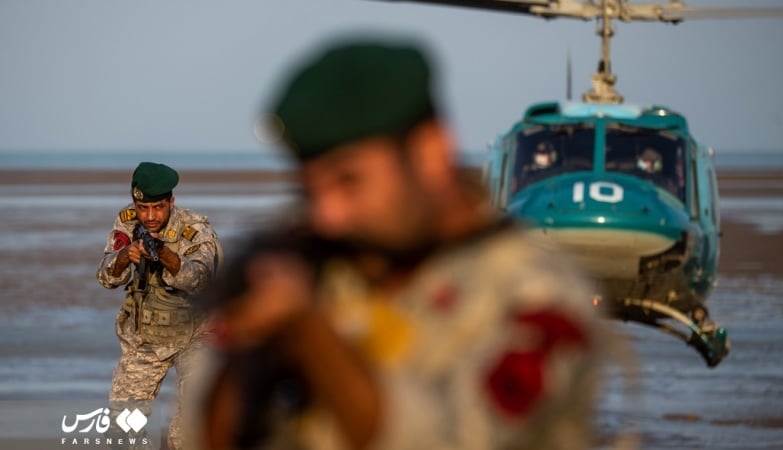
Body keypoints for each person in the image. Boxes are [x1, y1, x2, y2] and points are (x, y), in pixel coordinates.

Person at [196, 38, 605, 450]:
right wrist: (248, 350)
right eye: (310, 192)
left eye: (349, 181)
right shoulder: (329, 267)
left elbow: (448, 439)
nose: (326, 216)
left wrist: (310, 333)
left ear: (431, 153)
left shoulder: (540, 296)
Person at [97, 162, 222, 450]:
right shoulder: (128, 223)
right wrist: (124, 256)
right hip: (147, 336)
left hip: (197, 335)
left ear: (171, 203)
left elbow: (200, 279)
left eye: (158, 207)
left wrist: (165, 255)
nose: (150, 216)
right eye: (143, 208)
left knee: (190, 431)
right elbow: (105, 277)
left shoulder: (194, 229)